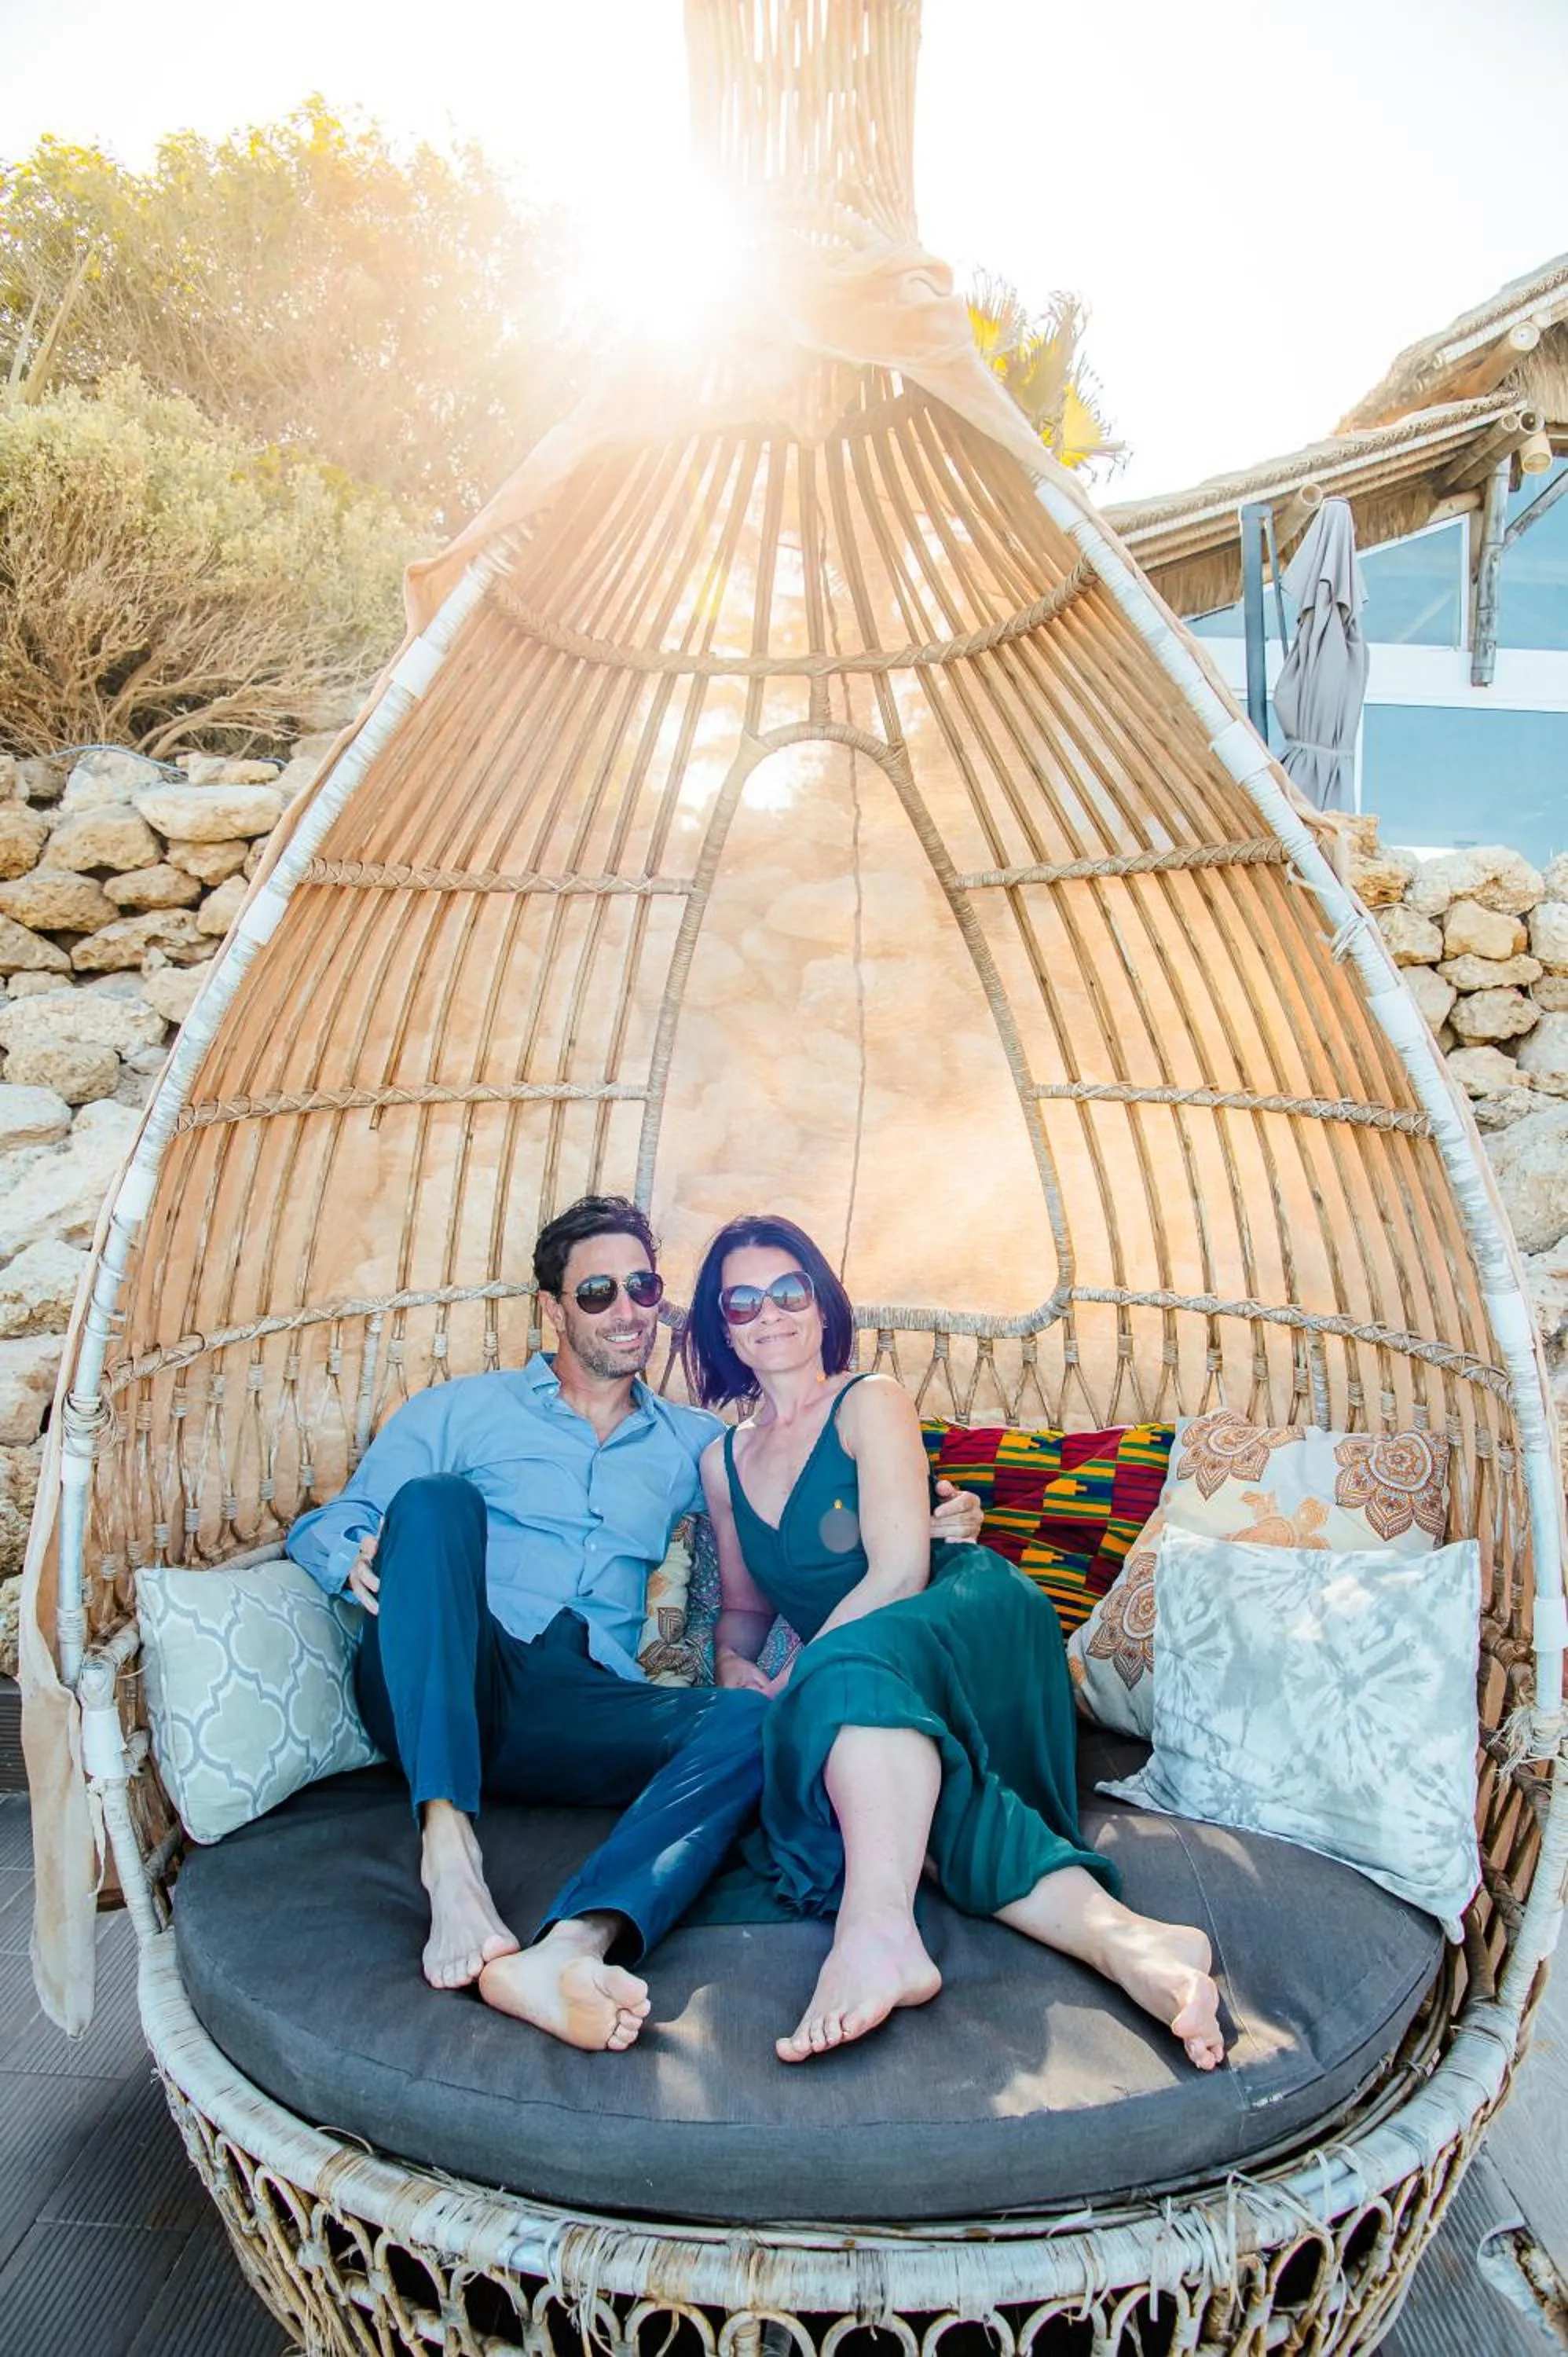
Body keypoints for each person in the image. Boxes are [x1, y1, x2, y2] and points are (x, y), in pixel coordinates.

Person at [286, 1193, 982, 2051]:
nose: (626, 1311)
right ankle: (449, 1852)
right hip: (446, 1675)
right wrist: (354, 1549)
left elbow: (792, 1516)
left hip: (579, 1705)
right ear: (551, 1309)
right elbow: (324, 1523)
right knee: (432, 1504)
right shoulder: (457, 1412)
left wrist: (929, 1513)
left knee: (750, 1721)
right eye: (597, 1293)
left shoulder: (697, 1445)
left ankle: (573, 1946)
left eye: (643, 1289)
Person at [687, 1212, 1225, 2071]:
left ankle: (876, 1936)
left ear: (822, 1303)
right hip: (877, 1672)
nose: (770, 1313)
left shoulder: (869, 1401)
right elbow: (745, 1609)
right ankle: (1134, 1946)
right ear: (722, 1329)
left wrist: (794, 1676)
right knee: (893, 1788)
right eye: (742, 1302)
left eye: (788, 1290)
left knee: (838, 1691)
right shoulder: (723, 1462)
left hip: (966, 1616)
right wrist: (733, 1664)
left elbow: (900, 1571)